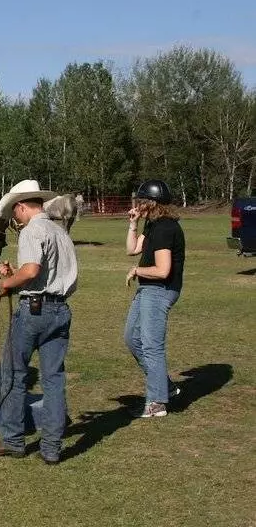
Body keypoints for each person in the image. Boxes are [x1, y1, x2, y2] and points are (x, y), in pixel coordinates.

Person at [0, 179, 78, 465]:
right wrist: (16, 273)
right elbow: (41, 271)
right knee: (54, 379)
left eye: (14, 212)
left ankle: (13, 440)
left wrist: (7, 283)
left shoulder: (31, 231)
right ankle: (51, 447)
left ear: (22, 206)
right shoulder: (59, 232)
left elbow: (33, 270)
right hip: (60, 310)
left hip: (34, 311)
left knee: (14, 373)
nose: (14, 218)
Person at [124, 179, 185, 418]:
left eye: (139, 203)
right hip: (148, 289)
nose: (136, 206)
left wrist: (137, 271)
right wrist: (133, 224)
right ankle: (166, 386)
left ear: (150, 204)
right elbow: (132, 249)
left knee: (151, 345)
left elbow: (162, 270)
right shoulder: (152, 225)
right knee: (131, 338)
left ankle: (157, 402)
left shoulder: (165, 229)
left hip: (160, 289)